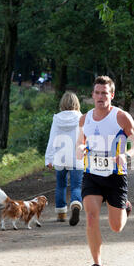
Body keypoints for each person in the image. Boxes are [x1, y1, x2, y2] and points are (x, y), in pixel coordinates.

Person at [76, 75, 134, 266]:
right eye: (97, 93)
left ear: (111, 95)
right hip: (92, 175)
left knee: (116, 227)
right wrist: (80, 147)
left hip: (115, 177)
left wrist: (127, 155)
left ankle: (125, 206)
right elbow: (81, 142)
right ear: (92, 95)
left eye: (104, 93)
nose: (100, 97)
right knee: (90, 216)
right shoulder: (84, 118)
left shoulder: (120, 117)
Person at [45, 91, 84, 225]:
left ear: (62, 103)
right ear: (76, 103)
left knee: (60, 185)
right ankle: (76, 203)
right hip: (76, 157)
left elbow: (52, 138)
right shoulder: (81, 117)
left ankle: (61, 213)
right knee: (76, 186)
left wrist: (48, 159)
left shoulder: (57, 118)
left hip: (60, 157)